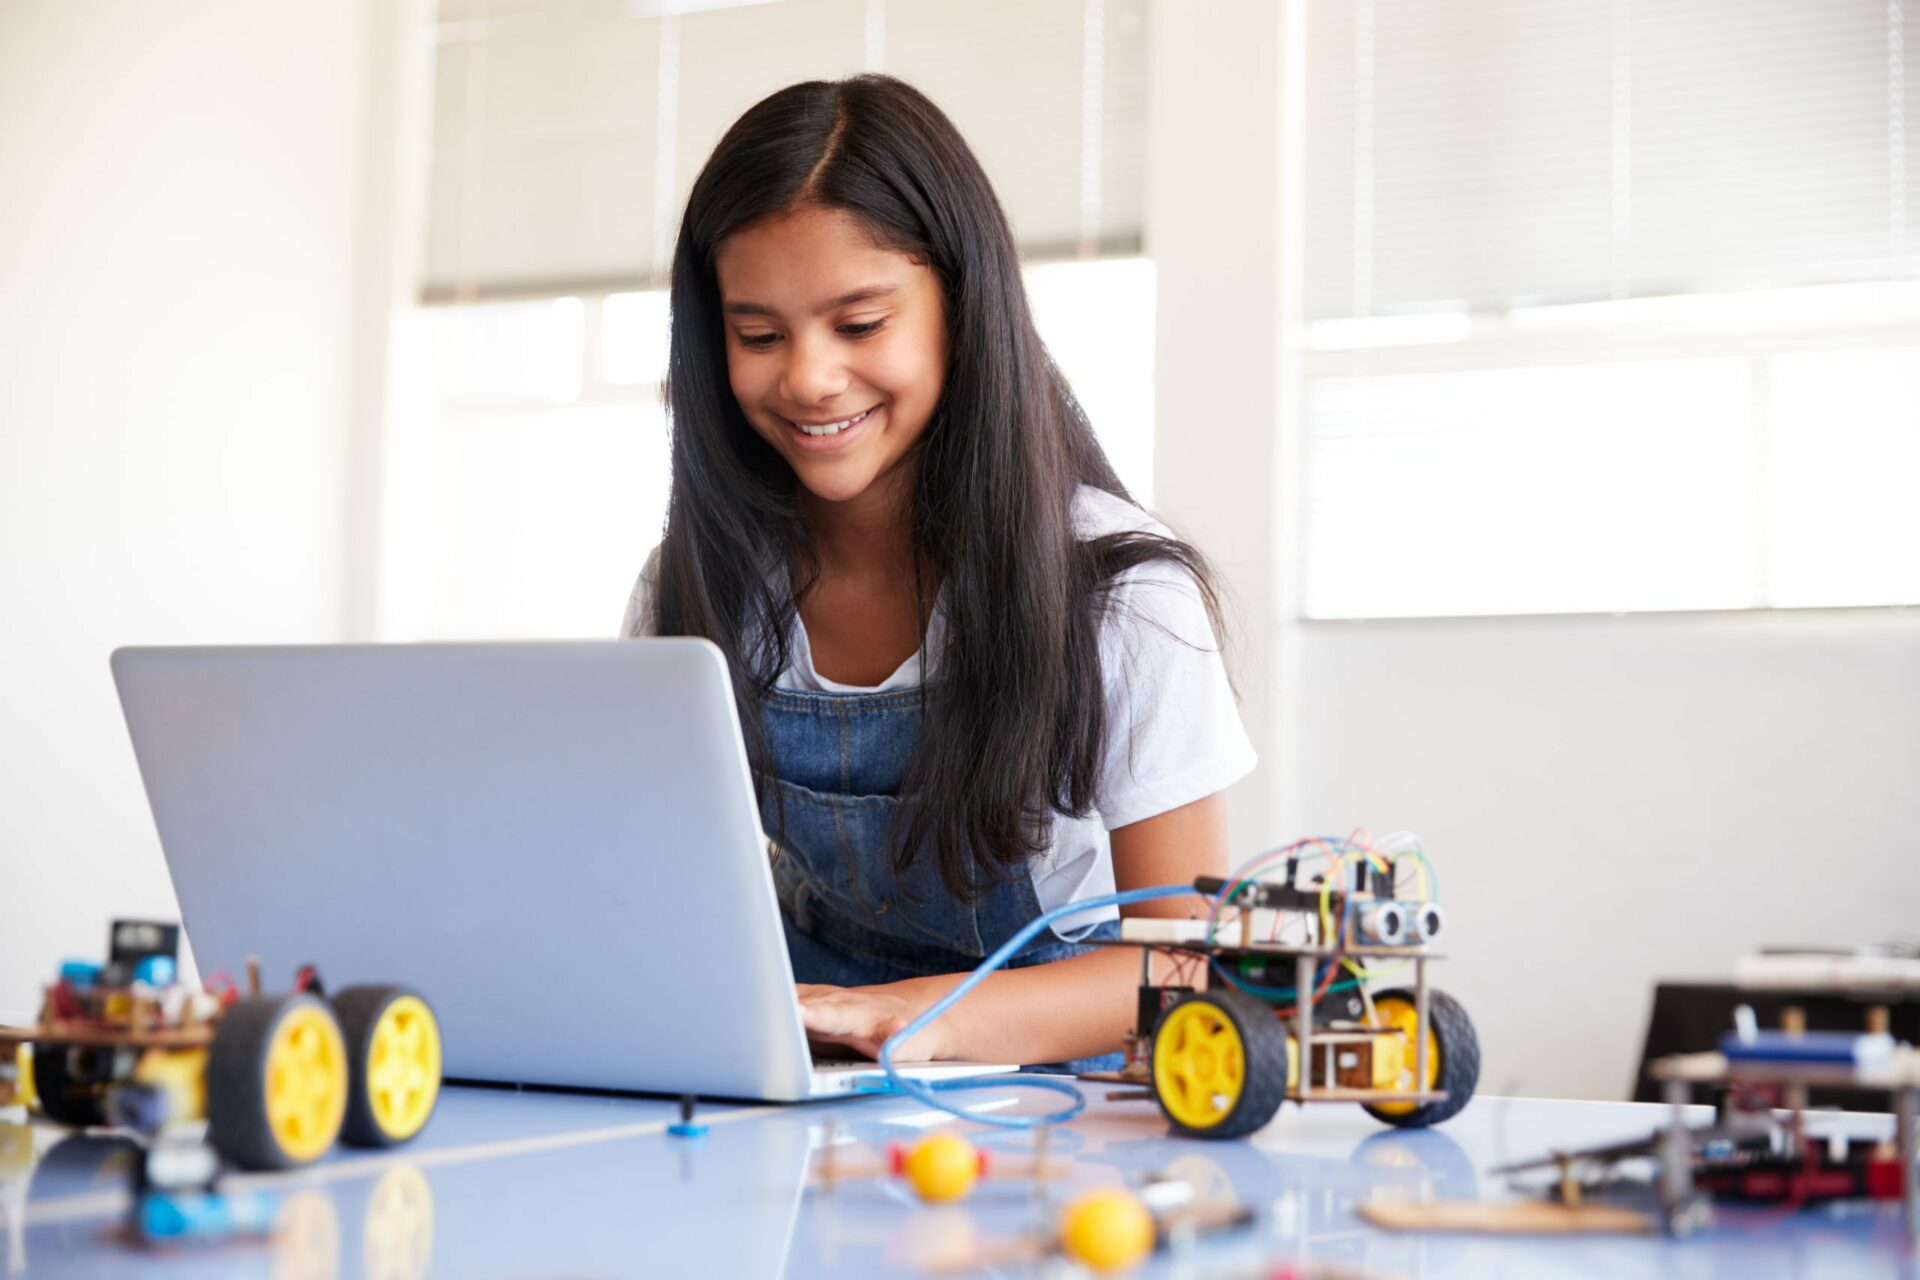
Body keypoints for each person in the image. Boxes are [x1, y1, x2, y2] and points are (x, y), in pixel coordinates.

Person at [621, 74, 1254, 1072]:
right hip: (802, 1089)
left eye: (860, 324)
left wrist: (928, 1015)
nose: (808, 377)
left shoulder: (1119, 591)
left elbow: (1189, 962)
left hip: (1051, 1108)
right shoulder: (693, 589)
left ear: (963, 307)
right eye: (757, 334)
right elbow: (662, 906)